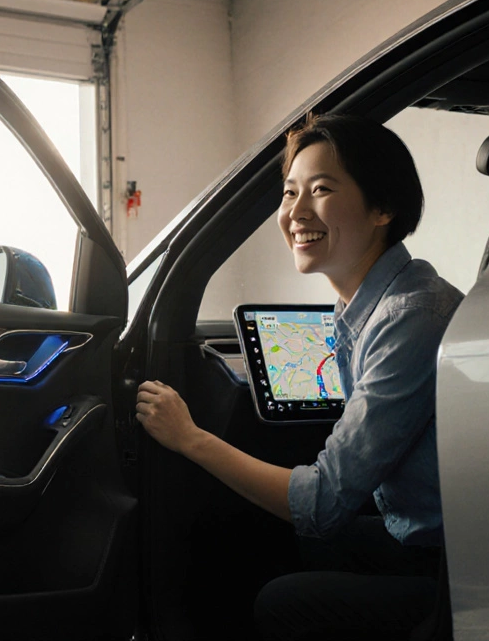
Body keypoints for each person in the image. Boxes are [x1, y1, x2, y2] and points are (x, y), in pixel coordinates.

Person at [135, 112, 462, 641]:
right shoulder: (368, 305)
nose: (296, 212)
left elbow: (323, 503)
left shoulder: (409, 317)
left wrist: (191, 439)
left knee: (280, 599)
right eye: (289, 193)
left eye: (322, 189)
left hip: (457, 566)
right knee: (291, 541)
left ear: (383, 207)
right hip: (429, 538)